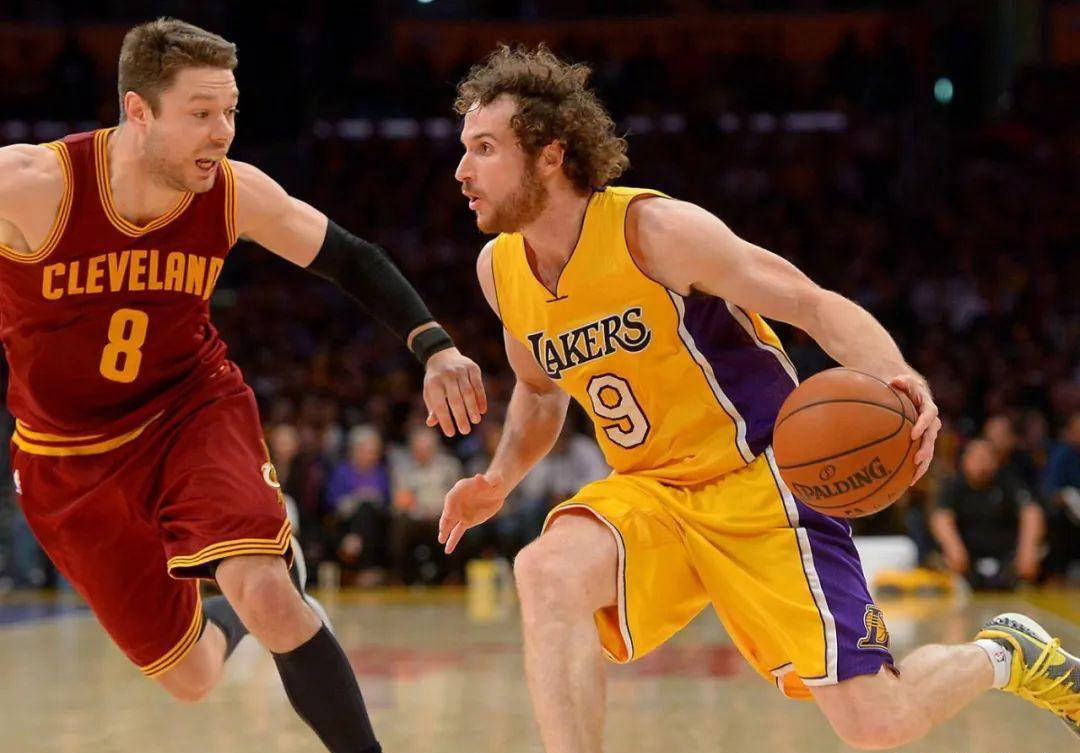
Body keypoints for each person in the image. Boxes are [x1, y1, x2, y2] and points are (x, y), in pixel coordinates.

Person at [438, 44, 1079, 750]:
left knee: (878, 723)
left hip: (761, 481)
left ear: (551, 156)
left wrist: (903, 378)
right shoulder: (500, 270)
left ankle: (1006, 653)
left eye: (484, 148)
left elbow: (811, 303)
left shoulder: (653, 232)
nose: (462, 170)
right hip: (653, 491)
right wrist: (499, 478)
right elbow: (539, 390)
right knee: (545, 569)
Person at [0, 18, 486, 753]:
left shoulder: (230, 192)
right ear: (138, 111)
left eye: (229, 110)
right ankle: (243, 609)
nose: (223, 131)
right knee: (191, 677)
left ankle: (274, 602)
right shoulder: (36, 186)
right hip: (67, 459)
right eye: (201, 113)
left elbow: (351, 258)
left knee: (268, 596)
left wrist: (435, 346)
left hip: (187, 410)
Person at [930, 439, 1044, 589]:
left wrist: (1028, 549)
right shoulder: (954, 487)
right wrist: (953, 548)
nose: (981, 463)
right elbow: (941, 518)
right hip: (967, 562)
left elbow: (1031, 512)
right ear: (965, 461)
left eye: (986, 457)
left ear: (995, 461)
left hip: (1008, 561)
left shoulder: (1008, 482)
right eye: (976, 457)